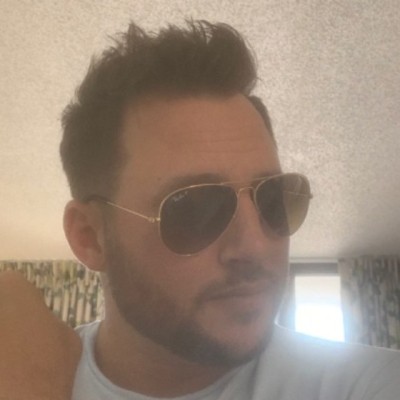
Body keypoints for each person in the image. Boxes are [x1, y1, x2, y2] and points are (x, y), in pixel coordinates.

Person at [1, 20, 400, 400]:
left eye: (273, 199)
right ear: (89, 237)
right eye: (194, 209)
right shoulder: (31, 371)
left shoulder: (366, 384)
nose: (255, 247)